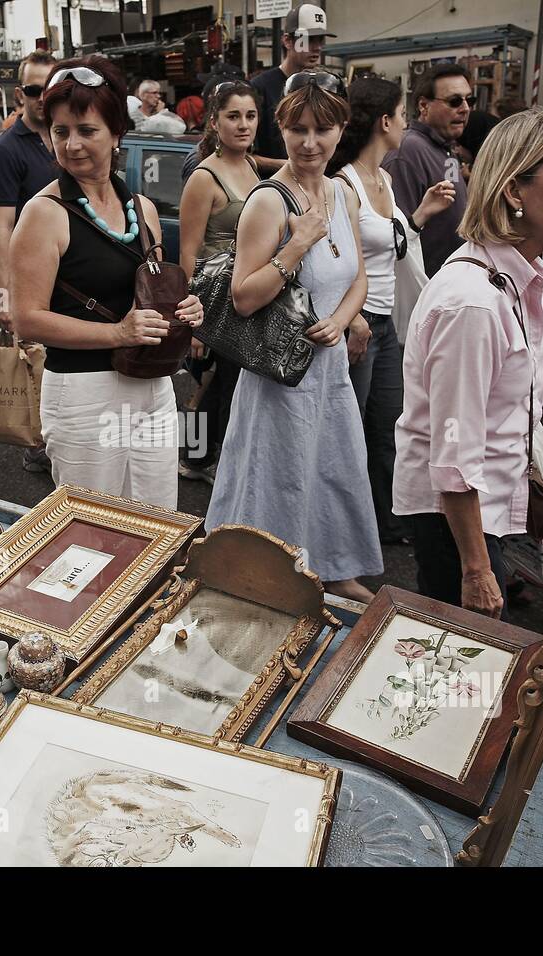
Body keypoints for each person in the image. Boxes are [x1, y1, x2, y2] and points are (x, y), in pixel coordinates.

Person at [394, 108, 543, 618]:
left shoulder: (511, 276)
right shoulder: (474, 302)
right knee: (457, 657)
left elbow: (477, 388)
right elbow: (455, 455)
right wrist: (476, 569)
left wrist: (534, 374)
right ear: (515, 191)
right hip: (458, 515)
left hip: (478, 506)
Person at [205, 71, 379, 603]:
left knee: (332, 467)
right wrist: (296, 246)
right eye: (298, 128)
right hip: (280, 374)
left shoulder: (343, 193)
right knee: (279, 474)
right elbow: (243, 296)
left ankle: (334, 566)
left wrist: (345, 317)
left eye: (322, 129)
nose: (309, 142)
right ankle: (267, 573)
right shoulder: (267, 202)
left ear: (341, 129)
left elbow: (359, 275)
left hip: (328, 369)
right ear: (280, 128)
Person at [12, 56, 205, 508]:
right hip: (83, 395)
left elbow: (151, 293)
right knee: (94, 531)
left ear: (117, 132)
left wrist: (185, 310)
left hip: (152, 383)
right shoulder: (44, 213)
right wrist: (117, 333)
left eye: (86, 130)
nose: (72, 144)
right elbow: (27, 319)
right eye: (60, 132)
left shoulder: (143, 208)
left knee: (157, 521)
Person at [330, 77, 456, 546]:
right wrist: (354, 319)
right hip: (357, 326)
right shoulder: (343, 184)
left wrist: (420, 214)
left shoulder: (383, 178)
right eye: (403, 114)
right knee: (348, 432)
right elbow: (332, 257)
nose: (407, 123)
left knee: (388, 429)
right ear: (384, 121)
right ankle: (340, 532)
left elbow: (393, 245)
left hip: (387, 325)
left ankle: (384, 522)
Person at [176, 81, 261, 482]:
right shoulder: (204, 177)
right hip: (211, 299)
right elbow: (188, 253)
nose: (243, 125)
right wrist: (194, 320)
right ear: (215, 121)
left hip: (244, 293)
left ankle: (206, 459)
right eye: (233, 116)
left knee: (225, 385)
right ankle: (194, 459)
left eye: (250, 115)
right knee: (207, 387)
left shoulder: (251, 165)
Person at [0, 49, 59, 474]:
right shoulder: (8, 149)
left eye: (49, 88)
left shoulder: (67, 135)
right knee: (35, 369)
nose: (42, 97)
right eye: (34, 89)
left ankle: (52, 442)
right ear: (19, 93)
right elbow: (2, 228)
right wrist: (5, 293)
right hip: (32, 281)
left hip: (69, 277)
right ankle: (38, 447)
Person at [383, 63, 472, 276]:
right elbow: (399, 235)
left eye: (470, 99)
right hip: (427, 285)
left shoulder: (446, 147)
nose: (465, 108)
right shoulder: (408, 152)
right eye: (454, 101)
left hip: (453, 277)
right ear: (424, 106)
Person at [250, 4, 336, 174]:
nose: (317, 47)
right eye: (309, 40)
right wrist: (291, 165)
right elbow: (246, 155)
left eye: (320, 40)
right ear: (287, 41)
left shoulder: (322, 87)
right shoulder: (261, 88)